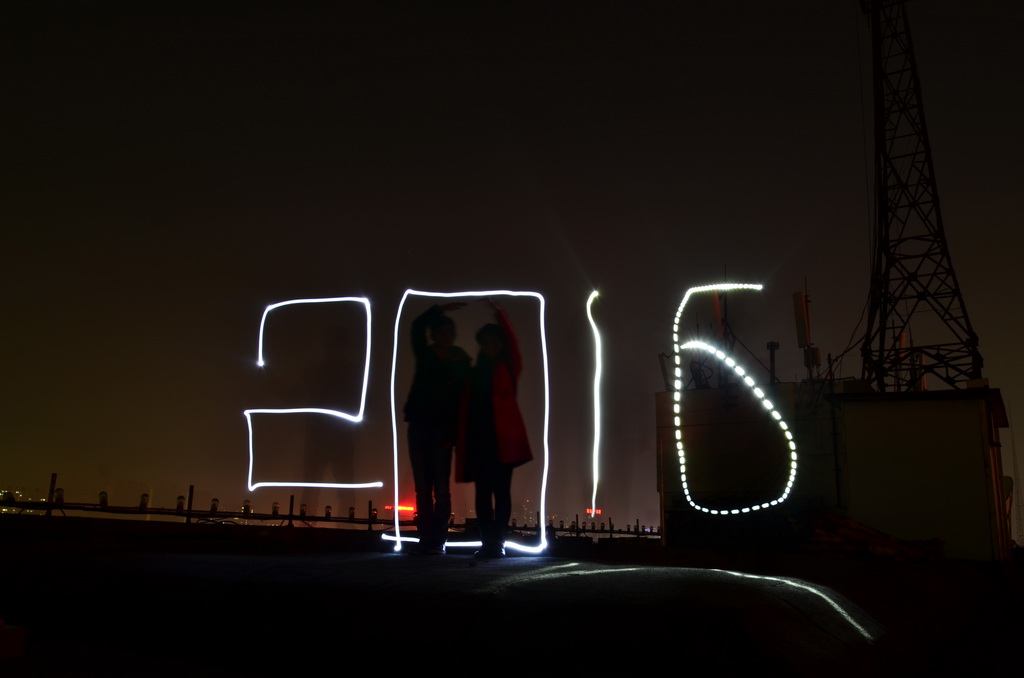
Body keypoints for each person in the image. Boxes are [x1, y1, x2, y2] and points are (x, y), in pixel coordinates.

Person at [456, 299, 533, 558]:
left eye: (494, 341)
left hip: (502, 442)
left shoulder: (508, 367)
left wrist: (499, 312)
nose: (490, 346)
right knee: (483, 494)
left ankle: (496, 541)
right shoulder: (474, 373)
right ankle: (488, 541)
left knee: (499, 493)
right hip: (481, 441)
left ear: (500, 344)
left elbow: (513, 343)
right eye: (486, 342)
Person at [404, 303, 470, 554]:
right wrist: (437, 309)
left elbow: (463, 401)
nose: (448, 335)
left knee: (440, 488)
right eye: (443, 331)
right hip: (420, 425)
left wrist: (453, 434)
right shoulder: (428, 354)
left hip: (440, 430)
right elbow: (416, 327)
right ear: (435, 334)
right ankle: (427, 538)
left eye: (450, 331)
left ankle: (437, 539)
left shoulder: (460, 359)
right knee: (423, 487)